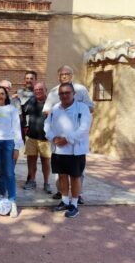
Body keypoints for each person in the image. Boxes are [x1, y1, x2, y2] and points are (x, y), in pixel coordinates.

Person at [43, 65, 94, 203]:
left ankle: (76, 200)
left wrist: (68, 137)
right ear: (58, 76)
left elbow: (89, 113)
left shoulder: (81, 92)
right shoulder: (54, 95)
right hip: (58, 145)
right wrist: (54, 136)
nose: (64, 75)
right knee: (61, 175)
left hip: (75, 145)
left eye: (67, 73)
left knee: (76, 175)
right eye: (62, 74)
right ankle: (64, 198)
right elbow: (47, 116)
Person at [0, 86, 23, 217]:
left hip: (8, 143)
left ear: (6, 96)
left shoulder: (12, 109)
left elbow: (17, 129)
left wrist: (17, 147)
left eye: (2, 93)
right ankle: (3, 197)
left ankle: (12, 201)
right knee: (0, 172)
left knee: (9, 172)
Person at [22, 81, 52, 193]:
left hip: (45, 138)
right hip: (31, 137)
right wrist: (25, 127)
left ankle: (46, 183)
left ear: (46, 90)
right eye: (36, 90)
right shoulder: (31, 101)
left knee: (46, 161)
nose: (38, 91)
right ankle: (32, 181)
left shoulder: (50, 103)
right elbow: (22, 112)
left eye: (40, 89)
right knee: (31, 161)